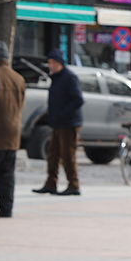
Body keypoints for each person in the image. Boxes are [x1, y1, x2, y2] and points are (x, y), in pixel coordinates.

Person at [33, 48, 83, 196]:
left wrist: (63, 113)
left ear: (60, 63)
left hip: (69, 123)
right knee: (52, 154)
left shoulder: (69, 77)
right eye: (49, 62)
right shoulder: (55, 77)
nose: (51, 65)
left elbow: (78, 99)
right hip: (57, 122)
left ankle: (73, 185)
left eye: (54, 62)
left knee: (68, 155)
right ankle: (51, 183)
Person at [0, 41, 25, 218]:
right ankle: (6, 209)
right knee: (6, 175)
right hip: (12, 136)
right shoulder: (18, 78)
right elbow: (21, 104)